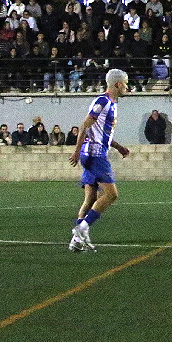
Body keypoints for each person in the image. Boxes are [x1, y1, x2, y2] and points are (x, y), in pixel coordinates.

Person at [68, 68, 131, 252]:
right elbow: (85, 126)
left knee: (90, 199)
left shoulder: (112, 103)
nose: (127, 87)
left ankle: (76, 241)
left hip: (93, 152)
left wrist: (119, 147)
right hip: (95, 154)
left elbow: (104, 134)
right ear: (118, 84)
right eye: (125, 83)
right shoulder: (103, 101)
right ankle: (82, 228)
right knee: (111, 195)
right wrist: (76, 151)